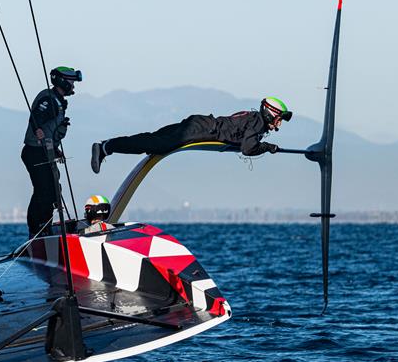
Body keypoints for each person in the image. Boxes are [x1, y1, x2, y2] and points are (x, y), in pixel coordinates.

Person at [90, 97, 293, 173]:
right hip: (198, 130)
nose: (280, 123)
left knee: (151, 139)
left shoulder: (254, 119)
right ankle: (107, 147)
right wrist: (269, 148)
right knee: (154, 145)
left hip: (198, 123)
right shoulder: (257, 122)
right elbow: (248, 148)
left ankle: (107, 146)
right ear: (270, 113)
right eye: (279, 118)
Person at [22, 66, 83, 237]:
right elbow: (36, 118)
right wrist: (37, 130)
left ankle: (45, 226)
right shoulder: (49, 100)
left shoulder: (58, 102)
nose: (73, 86)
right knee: (44, 191)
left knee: (53, 190)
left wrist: (55, 149)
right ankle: (36, 229)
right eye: (71, 82)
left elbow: (49, 129)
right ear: (62, 81)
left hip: (45, 152)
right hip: (35, 152)